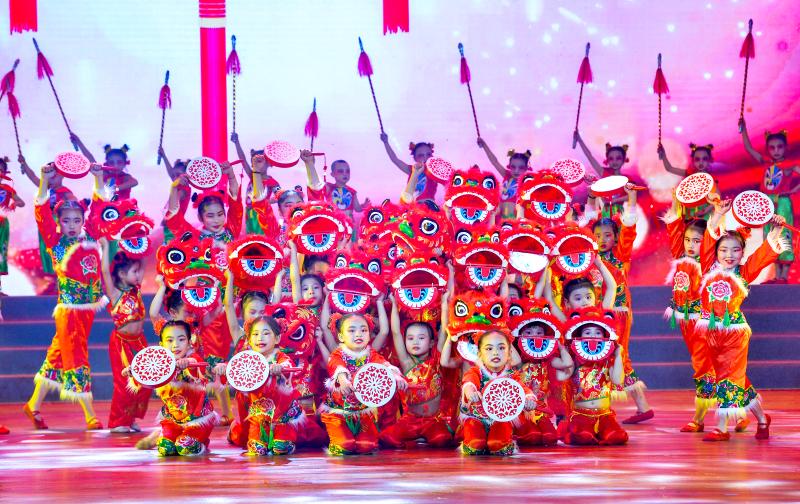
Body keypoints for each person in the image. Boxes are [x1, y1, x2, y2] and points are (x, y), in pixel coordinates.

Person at [697, 197, 787, 441]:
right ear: (715, 252)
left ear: (742, 253)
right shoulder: (707, 269)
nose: (729, 255)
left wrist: (776, 229)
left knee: (728, 377)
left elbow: (764, 254)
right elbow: (708, 240)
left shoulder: (744, 273)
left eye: (736, 250)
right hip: (712, 333)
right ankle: (762, 418)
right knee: (735, 379)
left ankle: (722, 427)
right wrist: (718, 213)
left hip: (735, 334)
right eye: (723, 250)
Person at [24, 162, 105, 430]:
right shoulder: (55, 241)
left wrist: (98, 178)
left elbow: (99, 209)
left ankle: (33, 404)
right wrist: (43, 181)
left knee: (58, 355)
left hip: (88, 309)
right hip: (69, 310)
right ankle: (90, 414)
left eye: (77, 220)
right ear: (58, 222)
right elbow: (41, 211)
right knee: (76, 355)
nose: (72, 225)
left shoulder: (89, 237)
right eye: (66, 220)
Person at [591, 186, 654, 424]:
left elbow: (628, 227)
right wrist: (592, 196)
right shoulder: (590, 258)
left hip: (616, 314)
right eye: (598, 236)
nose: (602, 240)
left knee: (619, 355)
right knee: (599, 357)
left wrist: (632, 197)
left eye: (607, 235)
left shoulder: (620, 255)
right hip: (597, 314)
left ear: (616, 238)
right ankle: (604, 405)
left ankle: (641, 406)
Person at [663, 192, 715, 431]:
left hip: (704, 322)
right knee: (719, 367)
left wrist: (716, 210)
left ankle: (699, 418)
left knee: (702, 364)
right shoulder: (679, 255)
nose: (690, 245)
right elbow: (673, 225)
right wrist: (677, 200)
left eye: (697, 241)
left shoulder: (708, 263)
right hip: (685, 321)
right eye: (687, 240)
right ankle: (741, 413)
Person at [124, 321, 217, 456]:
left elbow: (196, 367)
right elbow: (145, 381)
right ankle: (160, 435)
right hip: (172, 420)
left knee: (184, 446)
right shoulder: (159, 364)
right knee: (165, 448)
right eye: (169, 340)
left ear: (189, 342)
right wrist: (134, 373)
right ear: (161, 344)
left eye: (181, 339)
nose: (175, 345)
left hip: (198, 421)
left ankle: (201, 441)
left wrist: (188, 363)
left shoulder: (193, 358)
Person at [215, 315, 304, 455]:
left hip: (282, 418)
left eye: (266, 333)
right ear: (249, 339)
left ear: (277, 339)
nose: (260, 338)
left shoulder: (280, 357)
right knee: (257, 450)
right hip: (258, 417)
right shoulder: (247, 358)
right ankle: (234, 429)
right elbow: (233, 367)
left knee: (281, 448)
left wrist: (279, 368)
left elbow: (288, 366)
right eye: (255, 334)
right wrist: (223, 368)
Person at [320, 313, 406, 455]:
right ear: (341, 336)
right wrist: (342, 379)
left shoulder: (371, 354)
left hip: (363, 412)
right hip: (339, 412)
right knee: (344, 446)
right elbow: (336, 366)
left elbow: (383, 364)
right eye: (352, 330)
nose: (358, 334)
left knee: (367, 446)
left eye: (363, 330)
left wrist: (396, 376)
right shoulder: (337, 354)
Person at [379, 294, 453, 448]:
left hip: (433, 420)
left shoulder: (437, 359)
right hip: (410, 420)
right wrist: (394, 304)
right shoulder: (406, 362)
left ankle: (426, 435)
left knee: (441, 439)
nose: (415, 342)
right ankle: (414, 436)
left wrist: (444, 303)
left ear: (431, 342)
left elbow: (445, 330)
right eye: (410, 338)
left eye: (421, 338)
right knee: (387, 438)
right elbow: (396, 332)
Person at [98, 242, 150, 433]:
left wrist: (140, 244)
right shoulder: (115, 294)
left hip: (139, 342)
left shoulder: (136, 288)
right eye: (133, 272)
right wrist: (105, 247)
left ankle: (130, 417)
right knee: (124, 383)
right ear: (121, 274)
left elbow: (143, 262)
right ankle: (117, 422)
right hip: (121, 343)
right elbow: (105, 271)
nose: (138, 275)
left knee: (145, 381)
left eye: (137, 272)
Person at [458, 330, 536, 455]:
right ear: (479, 354)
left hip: (501, 419)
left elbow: (523, 390)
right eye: (489, 349)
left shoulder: (512, 376)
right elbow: (469, 383)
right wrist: (470, 392)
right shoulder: (476, 372)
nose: (495, 352)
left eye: (501, 348)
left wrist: (529, 399)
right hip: (477, 418)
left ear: (509, 354)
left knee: (498, 444)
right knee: (475, 444)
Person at [740, 121, 800, 283]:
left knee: (784, 234)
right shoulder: (766, 162)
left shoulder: (789, 165)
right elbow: (749, 148)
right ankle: (776, 275)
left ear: (785, 147)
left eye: (780, 147)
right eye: (772, 148)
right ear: (768, 149)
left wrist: (794, 190)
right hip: (767, 204)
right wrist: (744, 129)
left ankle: (784, 276)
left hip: (782, 203)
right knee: (770, 236)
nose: (776, 151)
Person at [560, 310, 628, 446]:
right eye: (587, 333)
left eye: (598, 333)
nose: (593, 336)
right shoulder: (574, 360)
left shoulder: (608, 361)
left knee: (617, 437)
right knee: (583, 436)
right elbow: (564, 375)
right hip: (581, 414)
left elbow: (617, 380)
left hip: (604, 415)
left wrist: (618, 355)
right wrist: (566, 351)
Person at [476, 138, 531, 219]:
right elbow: (494, 162)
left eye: (521, 168)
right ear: (509, 166)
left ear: (526, 168)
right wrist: (484, 145)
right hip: (501, 216)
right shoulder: (507, 175)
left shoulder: (527, 182)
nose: (516, 171)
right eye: (513, 167)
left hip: (515, 219)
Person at [658, 143, 716, 219]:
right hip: (690, 214)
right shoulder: (689, 174)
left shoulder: (711, 180)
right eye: (697, 159)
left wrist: (704, 211)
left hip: (706, 216)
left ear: (709, 160)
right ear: (693, 160)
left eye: (704, 159)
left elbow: (717, 199)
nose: (701, 162)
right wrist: (663, 155)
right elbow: (669, 168)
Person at [380, 134, 438, 201]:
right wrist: (386, 142)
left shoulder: (436, 171)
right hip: (413, 206)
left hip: (430, 206)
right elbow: (395, 159)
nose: (426, 158)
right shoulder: (411, 170)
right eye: (421, 155)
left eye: (428, 154)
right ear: (415, 158)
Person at [0, 156, 25, 296]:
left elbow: (21, 202)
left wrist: (14, 204)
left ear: (5, 173)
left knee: (0, 254)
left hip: (2, 224)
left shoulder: (8, 189)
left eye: (1, 170)